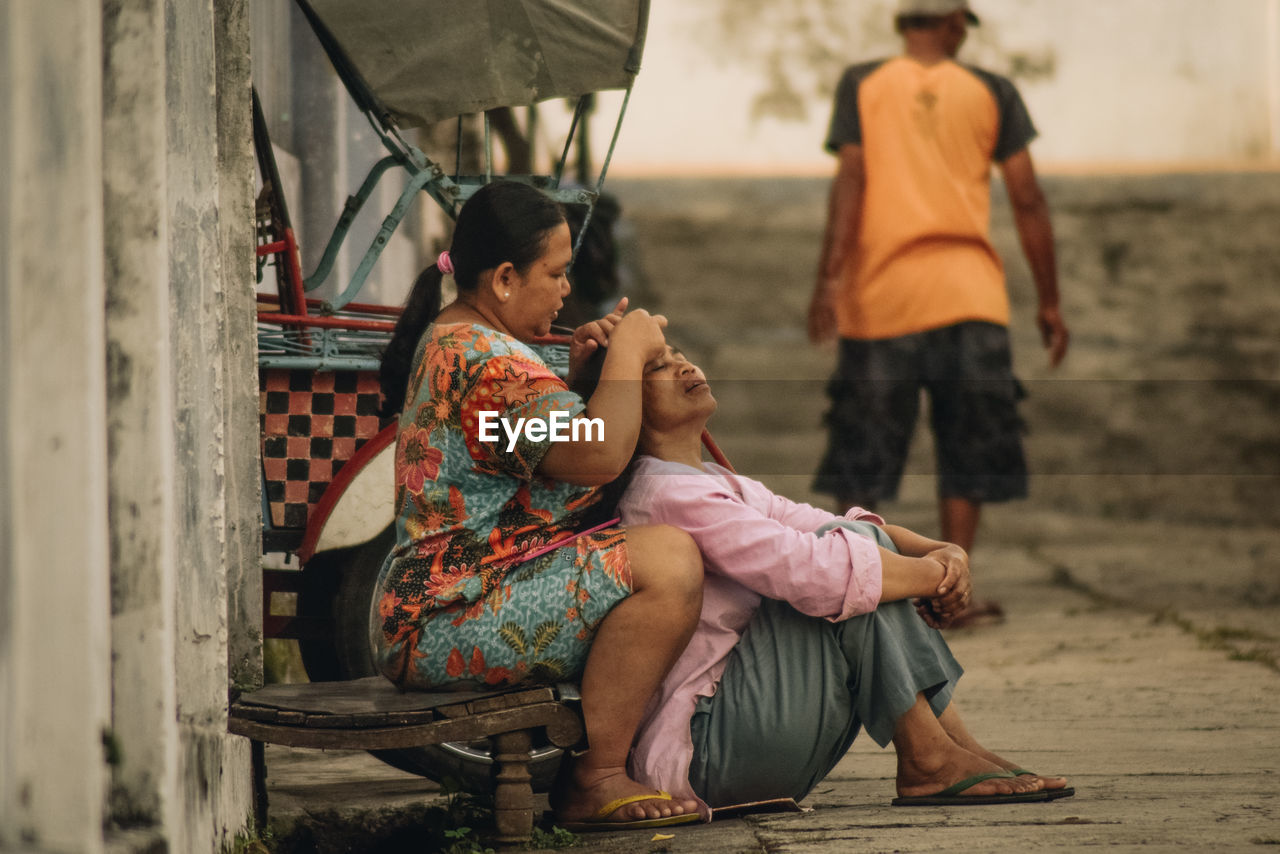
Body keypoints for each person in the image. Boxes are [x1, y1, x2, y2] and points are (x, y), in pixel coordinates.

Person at [590, 344, 1072, 818]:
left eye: (677, 355)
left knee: (855, 546)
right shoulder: (665, 493)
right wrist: (932, 576)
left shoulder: (716, 481)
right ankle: (931, 759)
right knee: (843, 567)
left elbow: (830, 522)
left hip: (753, 744)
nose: (682, 365)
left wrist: (944, 553)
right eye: (657, 366)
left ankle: (954, 748)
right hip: (705, 755)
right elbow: (817, 569)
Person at [373, 181, 704, 830]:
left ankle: (607, 763)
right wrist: (631, 353)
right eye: (555, 273)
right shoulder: (488, 362)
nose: (564, 292)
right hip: (446, 616)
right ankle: (597, 776)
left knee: (659, 553)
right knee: (670, 562)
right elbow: (600, 453)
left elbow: (535, 459)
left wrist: (585, 381)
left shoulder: (459, 340)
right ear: (502, 278)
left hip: (428, 603)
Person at [807, 0, 1070, 623]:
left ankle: (859, 588)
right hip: (969, 296)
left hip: (882, 297)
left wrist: (827, 281)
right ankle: (950, 599)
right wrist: (1050, 300)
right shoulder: (992, 90)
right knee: (970, 444)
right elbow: (1027, 197)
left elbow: (851, 181)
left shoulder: (862, 84)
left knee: (863, 448)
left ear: (904, 23)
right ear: (954, 26)